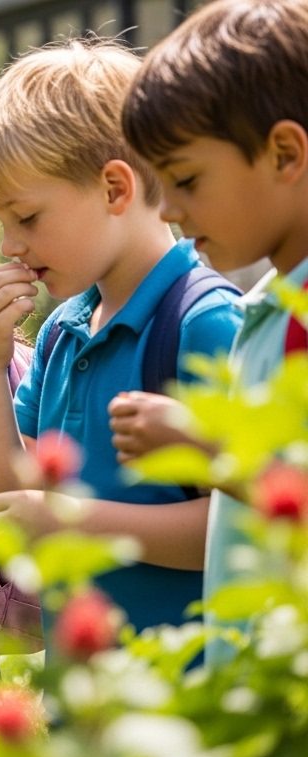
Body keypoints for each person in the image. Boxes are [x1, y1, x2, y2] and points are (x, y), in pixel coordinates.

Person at [0, 40, 242, 652]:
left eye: (26, 218)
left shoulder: (203, 322)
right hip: (86, 703)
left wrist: (74, 522)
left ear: (116, 188)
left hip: (186, 704)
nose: (8, 245)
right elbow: (4, 501)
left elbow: (247, 523)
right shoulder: (65, 328)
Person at [118, 0, 308, 666]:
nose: (168, 208)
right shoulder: (266, 308)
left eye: (187, 179)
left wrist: (206, 447)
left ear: (285, 152)